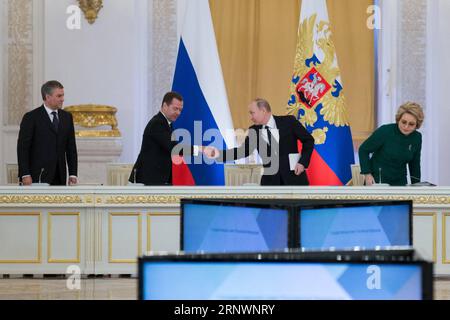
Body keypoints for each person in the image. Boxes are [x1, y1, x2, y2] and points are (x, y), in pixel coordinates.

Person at [209, 98, 315, 185]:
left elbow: (309, 140)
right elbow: (242, 151)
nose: (251, 117)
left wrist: (302, 162)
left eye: (252, 113)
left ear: (263, 110)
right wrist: (219, 154)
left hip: (294, 180)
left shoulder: (289, 122)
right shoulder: (253, 131)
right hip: (271, 184)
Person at [129, 91, 209, 185]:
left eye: (180, 110)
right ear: (164, 106)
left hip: (158, 179)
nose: (178, 113)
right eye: (175, 109)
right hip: (149, 179)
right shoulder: (157, 123)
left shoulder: (167, 124)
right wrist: (199, 149)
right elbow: (174, 148)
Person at [17, 80, 78, 186]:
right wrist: (25, 174)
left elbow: (71, 148)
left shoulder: (67, 117)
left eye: (63, 95)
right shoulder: (31, 117)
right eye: (59, 96)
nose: (62, 99)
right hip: (37, 175)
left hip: (60, 176)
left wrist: (73, 174)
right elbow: (23, 148)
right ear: (47, 97)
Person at [358, 101, 424, 186]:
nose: (406, 127)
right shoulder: (385, 131)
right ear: (398, 119)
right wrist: (367, 174)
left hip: (400, 183)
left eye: (411, 124)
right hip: (377, 182)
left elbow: (414, 164)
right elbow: (363, 150)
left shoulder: (417, 137)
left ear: (417, 125)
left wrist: (417, 187)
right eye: (403, 122)